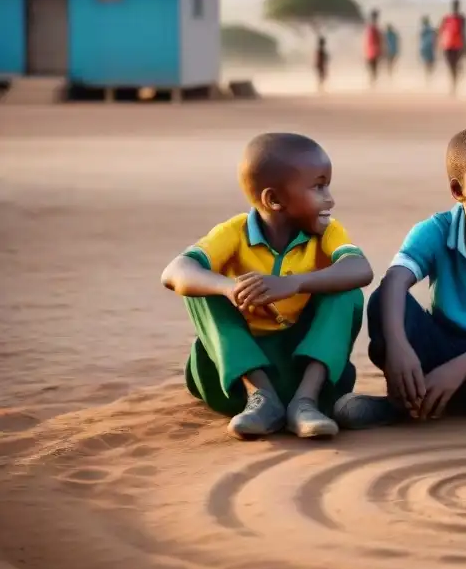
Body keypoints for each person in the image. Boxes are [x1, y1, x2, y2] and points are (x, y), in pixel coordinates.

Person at [334, 125, 466, 428]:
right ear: (458, 191)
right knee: (385, 298)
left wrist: (457, 371)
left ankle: (406, 407)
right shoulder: (436, 229)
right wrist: (399, 348)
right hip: (440, 343)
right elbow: (396, 280)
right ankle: (415, 397)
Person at [160, 133, 373, 440]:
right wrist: (229, 288)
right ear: (274, 200)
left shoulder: (327, 231)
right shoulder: (234, 232)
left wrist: (293, 283)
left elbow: (361, 269)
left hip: (303, 370)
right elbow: (174, 271)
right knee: (200, 290)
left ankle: (305, 403)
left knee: (346, 290)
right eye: (318, 186)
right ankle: (262, 398)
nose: (329, 198)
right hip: (233, 382)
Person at [438, 0, 466, 95]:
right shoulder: (446, 18)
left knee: (454, 65)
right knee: (451, 66)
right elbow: (441, 31)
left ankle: (453, 86)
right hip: (448, 45)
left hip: (457, 45)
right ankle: (454, 83)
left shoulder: (461, 19)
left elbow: (464, 33)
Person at [364, 10, 383, 88]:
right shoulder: (373, 28)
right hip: (372, 50)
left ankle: (373, 81)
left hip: (371, 51)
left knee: (373, 66)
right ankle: (373, 81)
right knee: (373, 67)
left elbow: (378, 40)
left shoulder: (371, 28)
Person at [419, 16, 437, 81]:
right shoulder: (431, 29)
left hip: (424, 47)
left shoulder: (423, 29)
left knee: (426, 63)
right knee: (430, 63)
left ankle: (428, 77)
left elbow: (420, 39)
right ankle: (429, 76)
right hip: (429, 47)